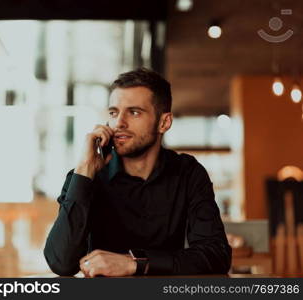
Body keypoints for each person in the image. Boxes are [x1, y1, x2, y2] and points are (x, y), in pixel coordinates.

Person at [44, 68, 231, 277]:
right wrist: (84, 169)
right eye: (114, 113)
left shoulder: (188, 173)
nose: (119, 123)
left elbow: (216, 255)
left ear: (164, 122)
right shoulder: (86, 175)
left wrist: (134, 264)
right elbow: (61, 263)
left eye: (134, 112)